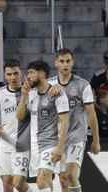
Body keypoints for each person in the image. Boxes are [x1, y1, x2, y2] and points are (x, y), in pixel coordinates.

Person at [49, 48, 101, 192]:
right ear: (56, 63)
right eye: (61, 61)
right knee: (63, 179)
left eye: (68, 61)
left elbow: (91, 114)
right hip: (56, 138)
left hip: (76, 136)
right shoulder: (49, 85)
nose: (65, 64)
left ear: (72, 63)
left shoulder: (83, 85)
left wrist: (96, 141)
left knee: (71, 175)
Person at [16, 60, 70, 192]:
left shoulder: (56, 92)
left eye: (31, 73)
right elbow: (20, 116)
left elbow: (65, 121)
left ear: (42, 73)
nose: (28, 76)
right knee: (42, 183)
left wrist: (60, 147)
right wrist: (23, 96)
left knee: (42, 181)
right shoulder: (31, 93)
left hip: (52, 144)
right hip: (35, 146)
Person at [0, 60, 33, 192]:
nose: (12, 77)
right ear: (5, 76)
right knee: (7, 185)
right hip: (4, 145)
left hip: (22, 145)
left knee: (18, 184)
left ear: (21, 73)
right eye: (9, 74)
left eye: (15, 73)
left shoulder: (31, 92)